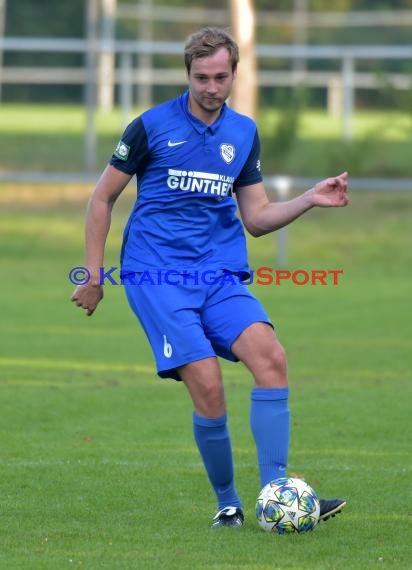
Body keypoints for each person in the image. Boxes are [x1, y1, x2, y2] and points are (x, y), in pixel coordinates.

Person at [71, 27, 348, 528]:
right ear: (188, 74)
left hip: (219, 275)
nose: (211, 87)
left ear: (234, 75)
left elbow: (257, 218)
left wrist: (309, 199)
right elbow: (101, 198)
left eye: (221, 77)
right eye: (201, 77)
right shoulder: (150, 127)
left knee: (272, 358)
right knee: (210, 386)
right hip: (156, 275)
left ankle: (276, 493)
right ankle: (228, 504)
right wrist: (94, 274)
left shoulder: (242, 133)